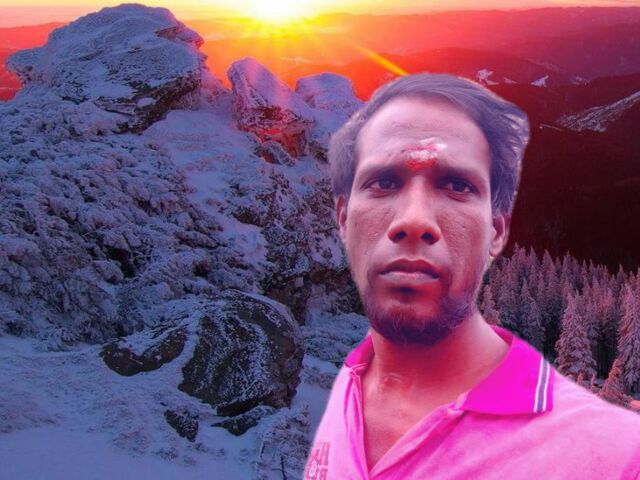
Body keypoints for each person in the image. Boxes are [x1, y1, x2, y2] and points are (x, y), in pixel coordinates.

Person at [303, 73, 640, 479]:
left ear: (495, 231)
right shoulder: (350, 387)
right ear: (343, 219)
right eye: (384, 182)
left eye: (456, 186)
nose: (414, 220)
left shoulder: (616, 454)